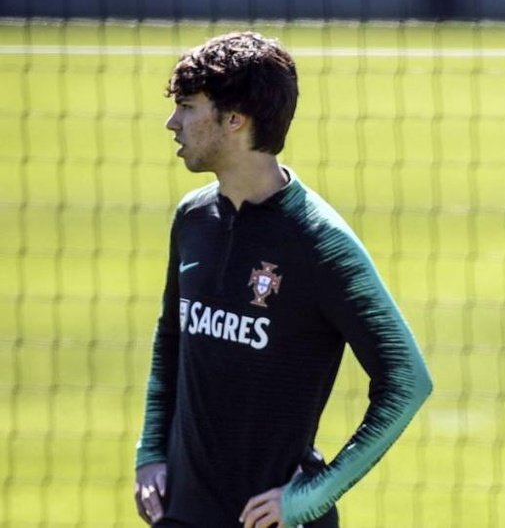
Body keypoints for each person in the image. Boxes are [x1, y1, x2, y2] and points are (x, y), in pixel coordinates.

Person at [133, 31, 433, 527]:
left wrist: (311, 497)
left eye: (187, 107)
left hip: (270, 519)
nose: (172, 122)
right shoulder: (192, 220)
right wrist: (150, 452)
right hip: (183, 511)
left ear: (234, 120)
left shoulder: (318, 242)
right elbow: (171, 341)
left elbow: (407, 380)